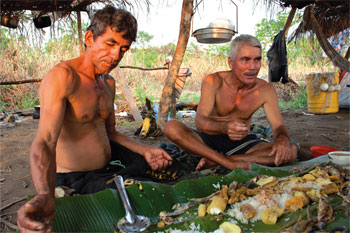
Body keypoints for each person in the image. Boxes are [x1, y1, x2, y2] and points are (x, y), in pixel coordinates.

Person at [17, 6, 172, 232]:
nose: (116, 56)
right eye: (110, 44)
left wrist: (144, 150)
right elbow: (45, 141)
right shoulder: (63, 77)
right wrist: (44, 193)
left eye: (123, 49)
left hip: (108, 165)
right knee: (140, 197)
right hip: (74, 177)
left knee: (162, 169)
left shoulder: (108, 83)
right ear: (89, 38)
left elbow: (112, 134)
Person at [164, 34, 297, 171]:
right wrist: (225, 127)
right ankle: (228, 163)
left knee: (291, 150)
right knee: (172, 127)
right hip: (206, 141)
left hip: (241, 144)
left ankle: (220, 161)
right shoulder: (214, 81)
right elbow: (200, 122)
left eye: (257, 60)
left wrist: (282, 139)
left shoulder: (265, 90)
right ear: (231, 62)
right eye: (245, 60)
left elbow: (278, 126)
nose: (252, 67)